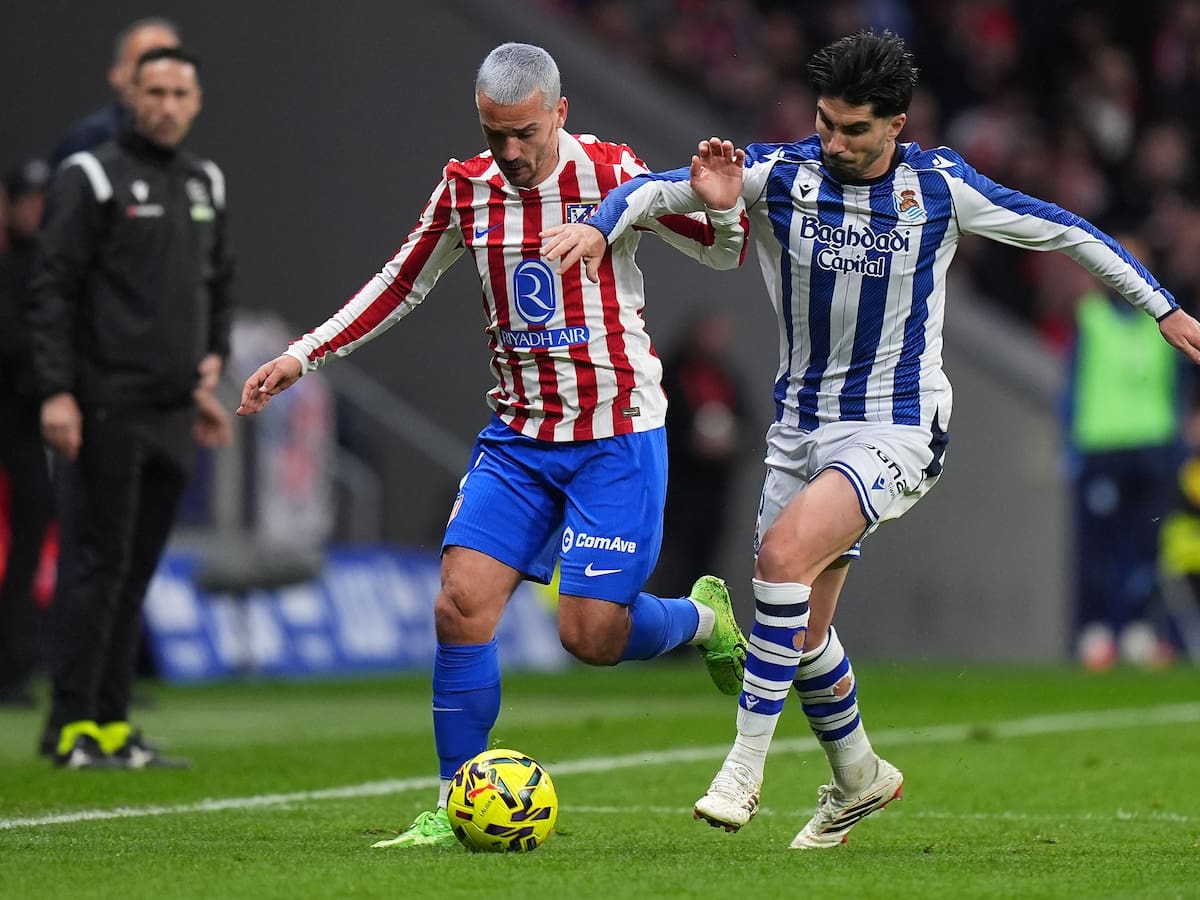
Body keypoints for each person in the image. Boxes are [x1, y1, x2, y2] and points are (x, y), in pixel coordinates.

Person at [543, 29, 1200, 849]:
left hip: (896, 424)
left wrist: (1164, 308)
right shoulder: (780, 173)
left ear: (897, 124)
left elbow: (1066, 230)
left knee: (780, 561)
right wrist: (615, 224)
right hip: (798, 430)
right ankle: (860, 777)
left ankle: (743, 770)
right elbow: (651, 192)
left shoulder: (940, 189)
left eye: (854, 129)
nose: (835, 142)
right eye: (825, 123)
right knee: (804, 631)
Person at [236, 42, 750, 849]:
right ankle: (452, 799)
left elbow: (724, 251)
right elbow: (401, 281)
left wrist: (721, 206)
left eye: (524, 135)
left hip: (615, 433)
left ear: (559, 114)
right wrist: (305, 353)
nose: (509, 153)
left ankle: (699, 621)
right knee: (460, 606)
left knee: (588, 636)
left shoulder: (614, 174)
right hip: (518, 438)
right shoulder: (465, 188)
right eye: (493, 134)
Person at [28, 46, 234, 769]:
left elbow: (217, 288)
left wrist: (208, 372)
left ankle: (113, 728)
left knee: (137, 573)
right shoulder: (89, 176)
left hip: (175, 412)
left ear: (197, 100)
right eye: (156, 90)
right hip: (104, 404)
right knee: (95, 567)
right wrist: (56, 390)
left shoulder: (205, 181)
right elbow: (52, 290)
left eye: (181, 90)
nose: (168, 104)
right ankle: (68, 728)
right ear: (132, 94)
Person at [1065, 231, 1188, 670]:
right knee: (1098, 549)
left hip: (1154, 446)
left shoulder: (1166, 321)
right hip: (1102, 446)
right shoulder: (1090, 316)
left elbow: (1177, 385)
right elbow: (1073, 385)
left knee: (1148, 545)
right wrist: (1070, 445)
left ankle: (1138, 630)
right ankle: (1096, 632)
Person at [0, 158, 54, 706]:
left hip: (40, 422)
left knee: (37, 540)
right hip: (16, 420)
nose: (37, 207)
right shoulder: (12, 269)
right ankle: (12, 665)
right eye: (29, 197)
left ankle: (24, 661)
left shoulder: (59, 267)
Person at [647, 309, 751, 596]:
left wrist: (732, 443)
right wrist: (692, 443)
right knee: (672, 567)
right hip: (676, 493)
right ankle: (668, 635)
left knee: (708, 568)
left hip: (714, 496)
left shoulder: (727, 377)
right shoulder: (669, 376)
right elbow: (655, 427)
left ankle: (703, 631)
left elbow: (751, 426)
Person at [49, 17, 181, 168]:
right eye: (147, 61)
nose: (160, 73)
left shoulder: (184, 155)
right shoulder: (90, 139)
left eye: (171, 62)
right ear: (117, 74)